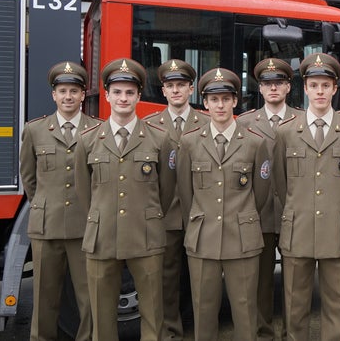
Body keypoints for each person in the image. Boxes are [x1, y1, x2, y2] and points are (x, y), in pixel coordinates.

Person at [74, 58, 176, 341]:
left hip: (145, 236)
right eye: (117, 92)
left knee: (153, 315)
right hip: (102, 237)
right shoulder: (88, 140)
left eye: (130, 92)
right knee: (101, 317)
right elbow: (84, 192)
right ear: (107, 95)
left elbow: (166, 191)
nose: (123, 98)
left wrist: (146, 214)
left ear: (139, 96)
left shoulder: (159, 139)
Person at [273, 53, 340, 341]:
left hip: (336, 230)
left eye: (326, 85)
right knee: (295, 306)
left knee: (337, 306)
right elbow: (280, 183)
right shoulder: (286, 132)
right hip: (298, 230)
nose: (320, 92)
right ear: (305, 88)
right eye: (314, 86)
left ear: (335, 88)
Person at [175, 67, 272, 341]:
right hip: (203, 238)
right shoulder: (189, 142)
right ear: (205, 103)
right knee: (203, 311)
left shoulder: (255, 143)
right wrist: (198, 221)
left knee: (245, 311)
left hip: (242, 238)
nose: (220, 105)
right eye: (214, 99)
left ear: (235, 101)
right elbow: (185, 193)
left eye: (226, 99)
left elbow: (261, 193)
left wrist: (243, 218)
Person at [20, 61, 101, 341]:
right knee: (44, 298)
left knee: (90, 298)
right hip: (47, 227)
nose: (68, 96)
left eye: (74, 91)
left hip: (85, 227)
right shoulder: (35, 130)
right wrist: (45, 205)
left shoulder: (97, 130)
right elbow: (29, 178)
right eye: (63, 91)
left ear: (83, 95)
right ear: (54, 95)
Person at [143, 59, 209, 340]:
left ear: (191, 89)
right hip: (167, 214)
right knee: (167, 278)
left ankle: (201, 330)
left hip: (201, 213)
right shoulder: (149, 125)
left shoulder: (207, 122)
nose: (176, 90)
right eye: (170, 86)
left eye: (181, 85)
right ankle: (171, 331)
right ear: (163, 91)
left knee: (202, 279)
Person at [236, 57, 300, 341]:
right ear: (260, 88)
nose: (273, 88)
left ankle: (290, 333)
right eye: (267, 83)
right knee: (260, 282)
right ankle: (263, 333)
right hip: (259, 213)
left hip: (293, 212)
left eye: (279, 83)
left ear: (288, 87)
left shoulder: (302, 120)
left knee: (295, 283)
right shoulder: (245, 122)